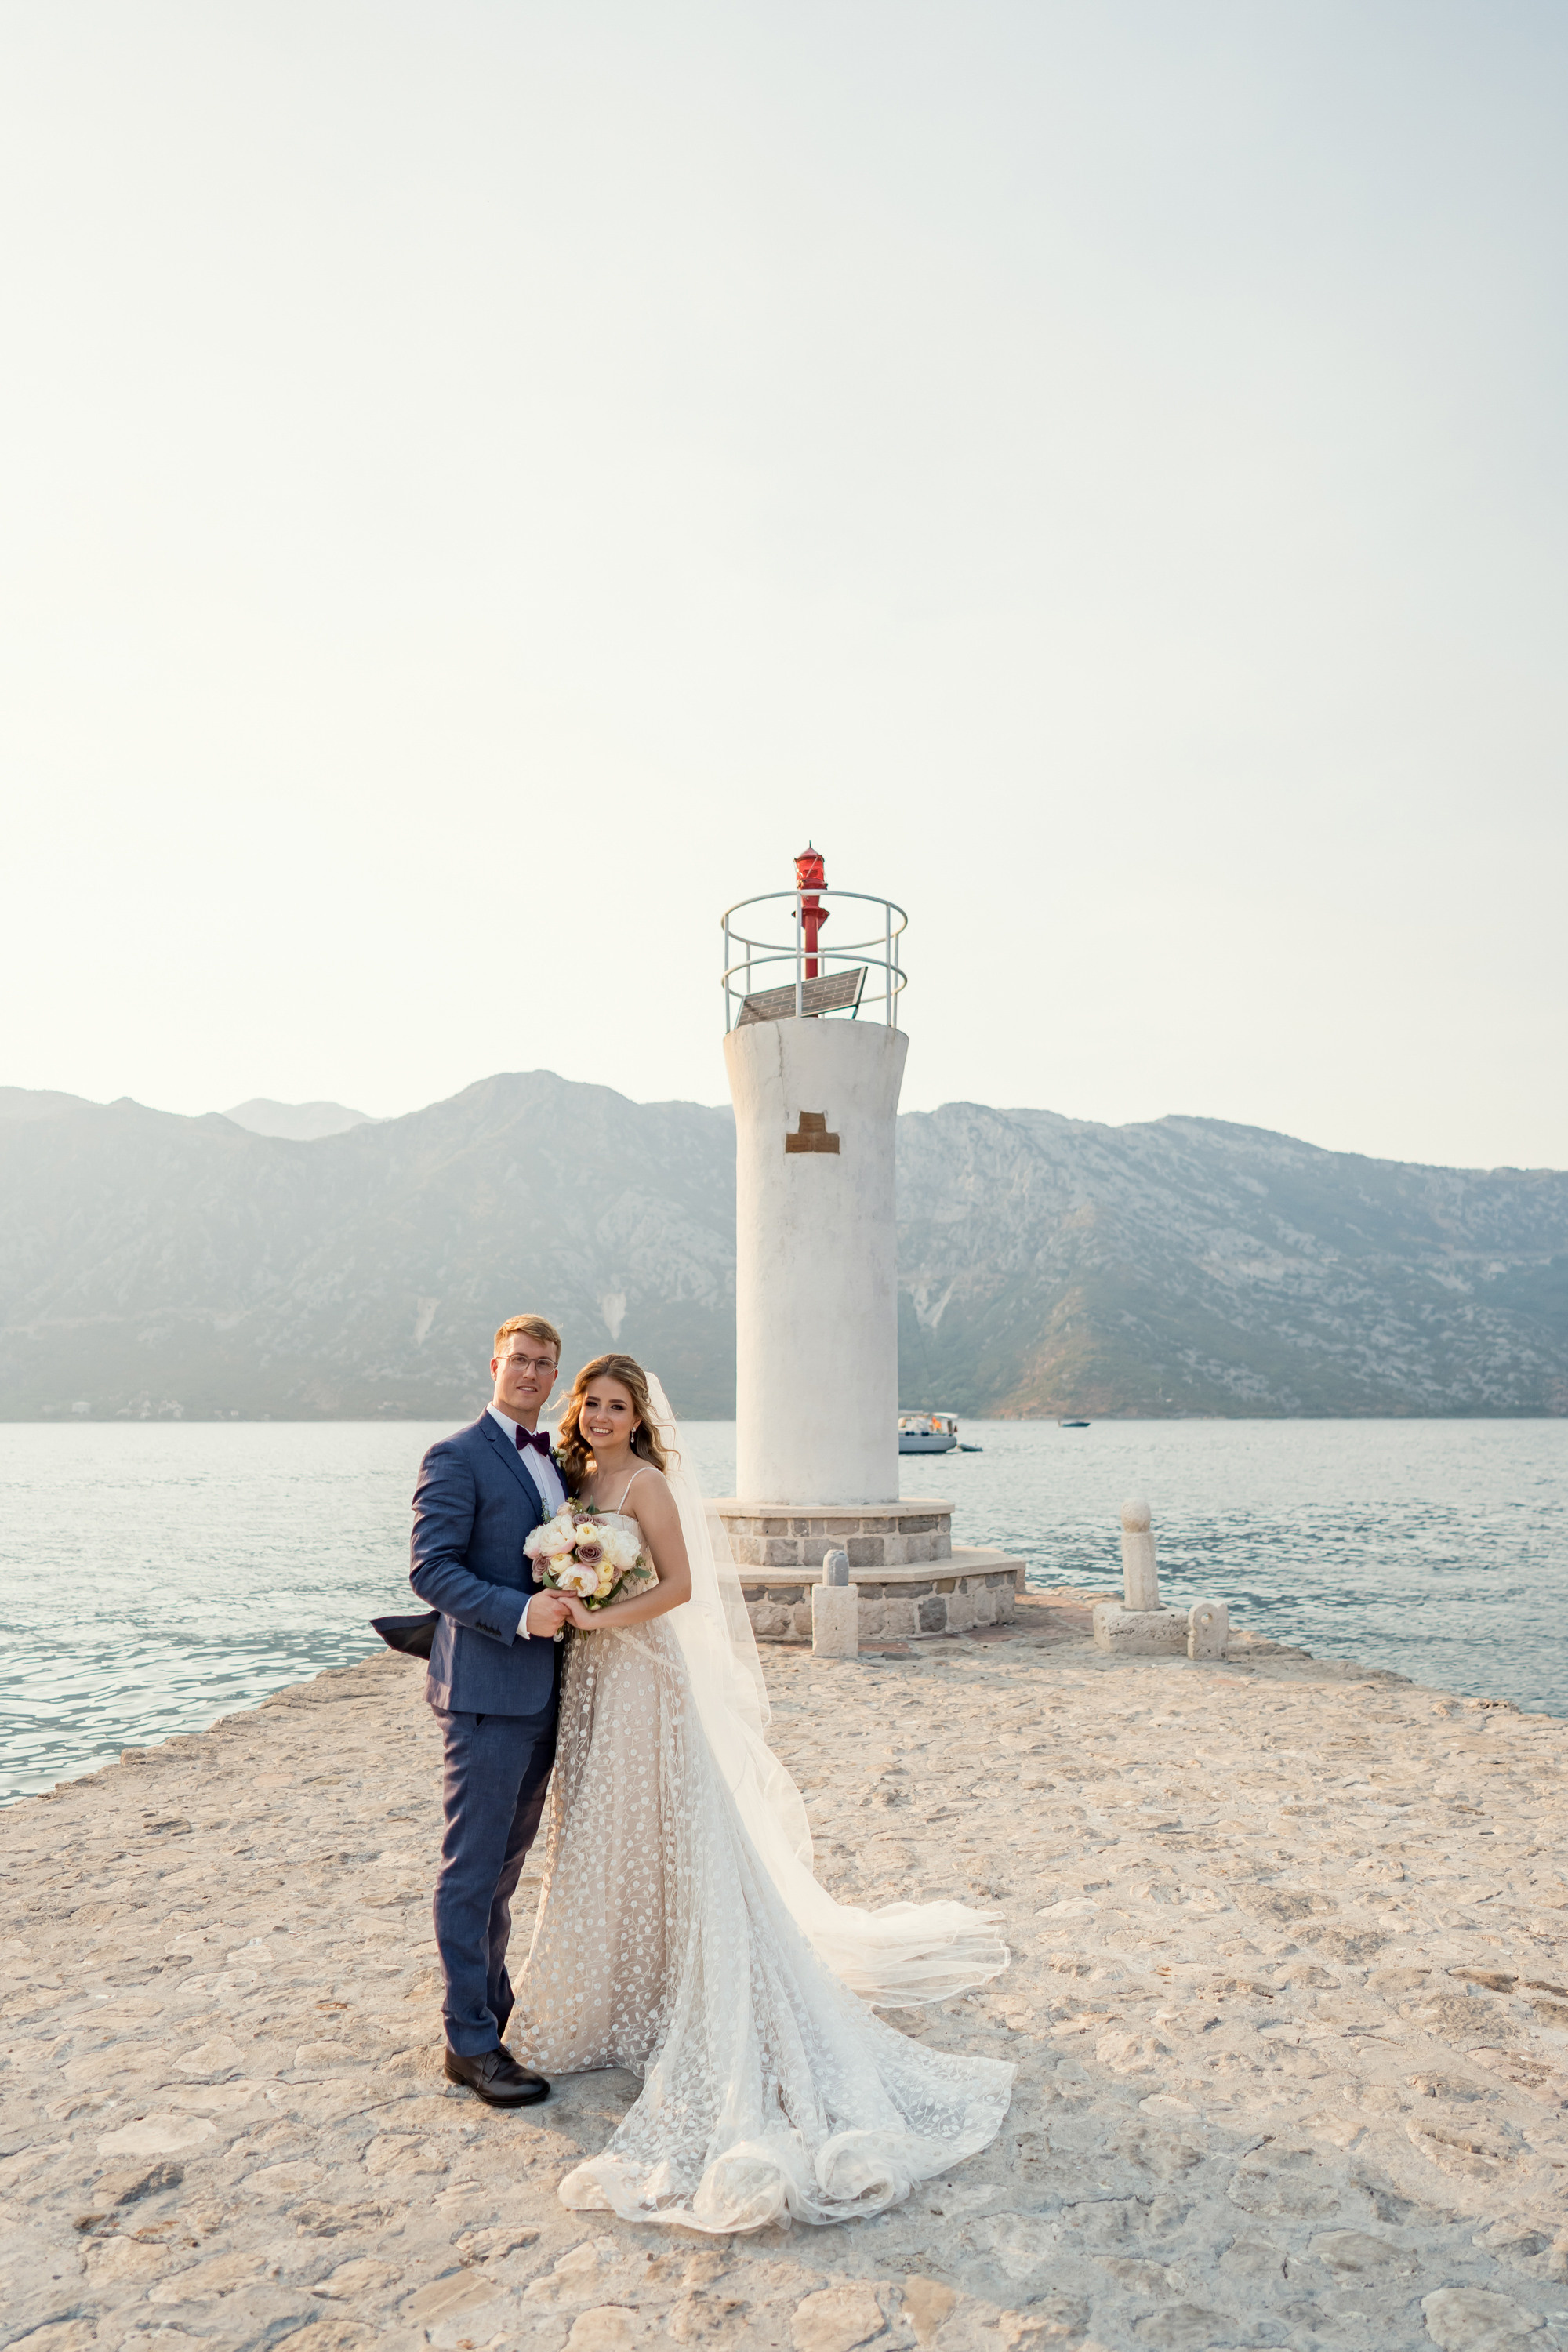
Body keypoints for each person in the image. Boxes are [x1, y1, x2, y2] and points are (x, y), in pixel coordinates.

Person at [506, 1352, 1014, 2233]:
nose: (599, 1418)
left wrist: (597, 1611)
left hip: (638, 1672)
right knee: (597, 1829)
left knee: (661, 1824)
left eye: (616, 1407)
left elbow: (680, 1586)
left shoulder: (648, 1487)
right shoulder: (574, 1478)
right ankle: (606, 1987)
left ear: (638, 1418)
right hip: (587, 1677)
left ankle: (683, 1988)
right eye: (590, 1404)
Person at [408, 1315, 573, 2107]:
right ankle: (468, 2044)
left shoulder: (555, 1466)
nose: (530, 1374)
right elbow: (431, 1571)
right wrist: (519, 1611)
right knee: (471, 1871)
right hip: (483, 1695)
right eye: (519, 1361)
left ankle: (489, 2015)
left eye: (544, 1364)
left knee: (506, 1870)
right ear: (494, 1365)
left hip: (543, 1698)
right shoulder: (456, 1456)